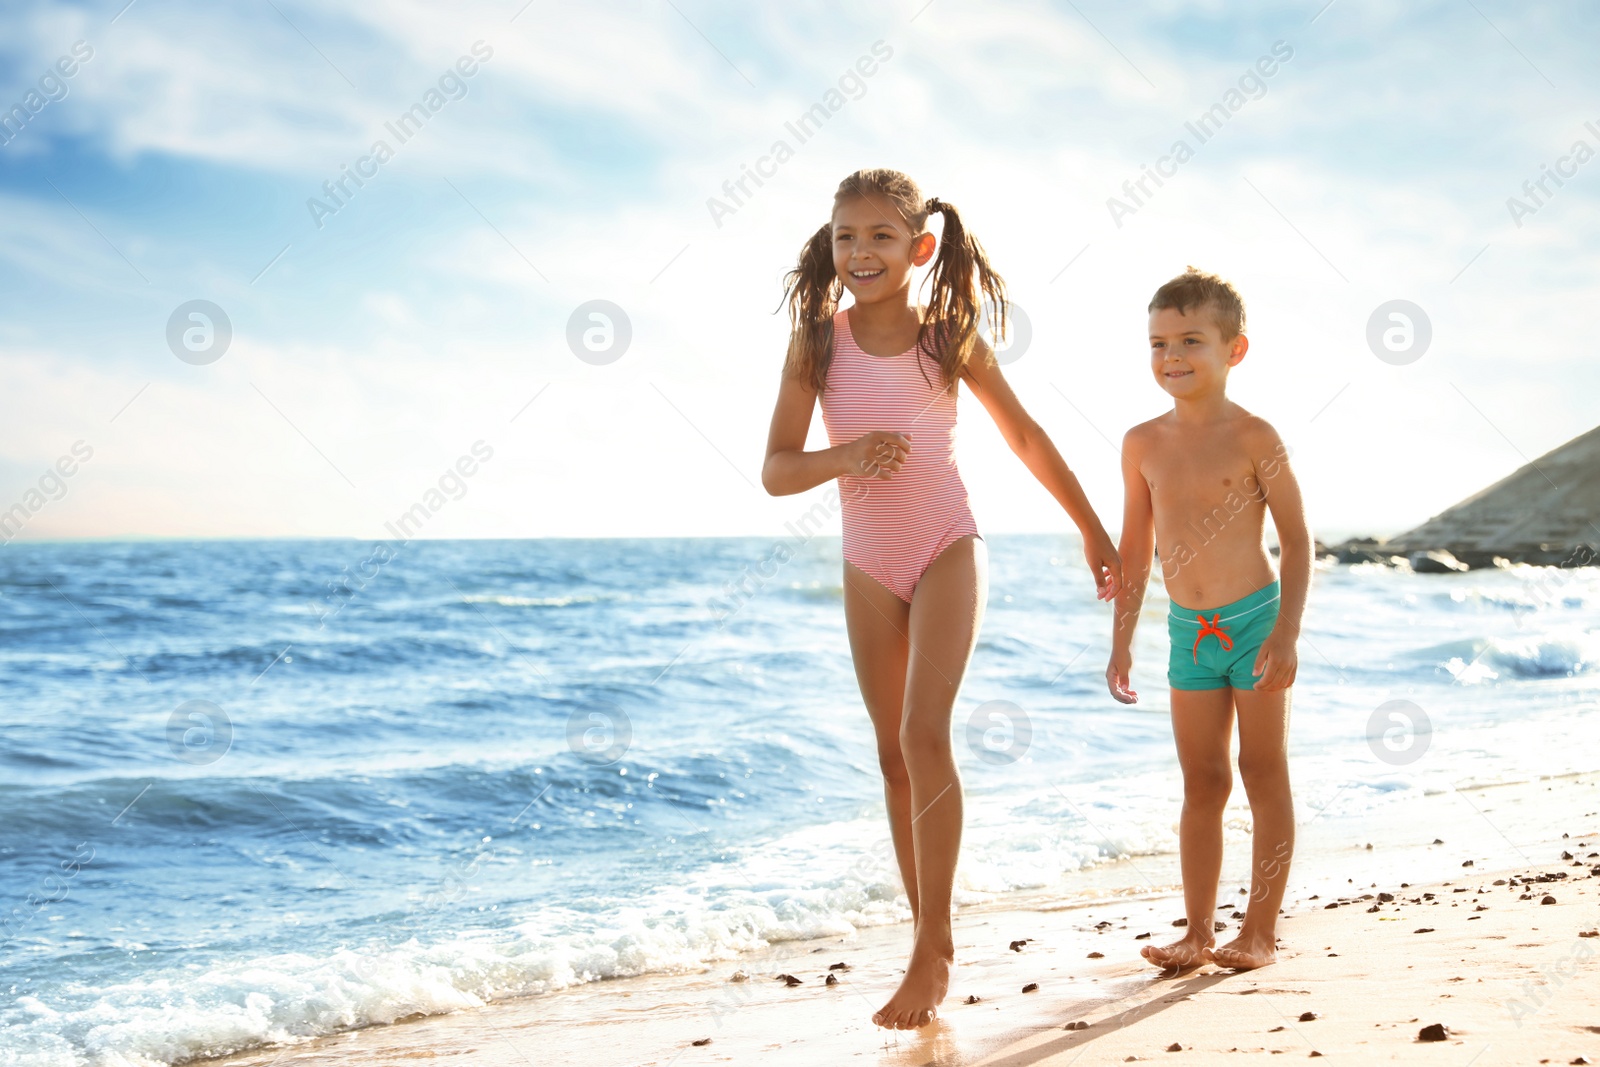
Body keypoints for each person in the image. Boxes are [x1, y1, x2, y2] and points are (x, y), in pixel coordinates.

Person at [762, 169, 1122, 1028]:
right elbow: (777, 469)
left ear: (920, 248)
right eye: (846, 236)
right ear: (830, 245)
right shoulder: (817, 342)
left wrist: (1090, 527)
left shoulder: (946, 335)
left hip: (946, 545)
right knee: (891, 752)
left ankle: (935, 945)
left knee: (926, 731)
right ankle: (923, 932)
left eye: (882, 236)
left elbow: (1025, 435)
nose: (861, 252)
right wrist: (845, 458)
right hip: (866, 560)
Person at [1107, 266, 1312, 971]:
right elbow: (1135, 551)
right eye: (1159, 342)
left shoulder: (1256, 436)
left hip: (1255, 622)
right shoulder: (1141, 443)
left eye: (1191, 340)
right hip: (1188, 633)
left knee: (1262, 770)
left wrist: (1286, 631)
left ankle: (1258, 932)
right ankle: (1197, 933)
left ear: (1235, 350)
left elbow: (1299, 539)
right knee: (1202, 781)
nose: (1173, 357)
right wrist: (1121, 642)